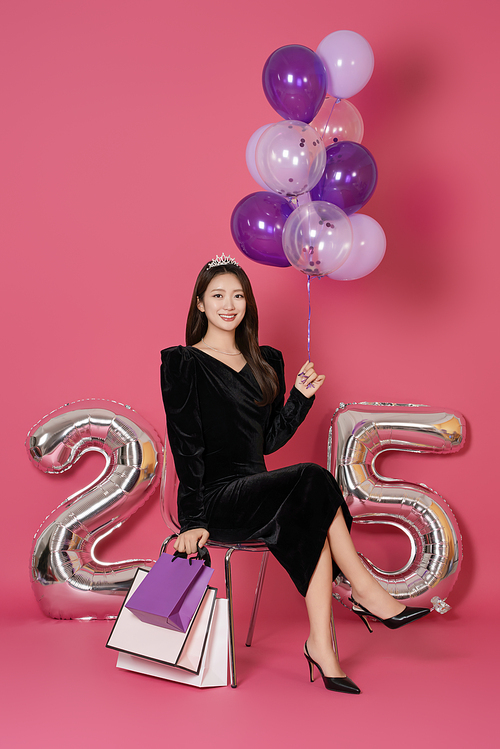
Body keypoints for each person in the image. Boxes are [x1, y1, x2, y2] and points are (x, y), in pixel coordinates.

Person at [160, 255, 429, 694]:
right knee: (312, 480)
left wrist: (300, 399)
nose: (230, 304)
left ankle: (322, 645)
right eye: (218, 296)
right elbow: (186, 447)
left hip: (261, 492)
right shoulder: (184, 363)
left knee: (310, 512)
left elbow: (265, 443)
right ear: (200, 304)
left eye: (238, 295)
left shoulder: (265, 361)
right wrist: (193, 522)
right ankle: (363, 589)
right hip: (216, 499)